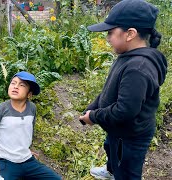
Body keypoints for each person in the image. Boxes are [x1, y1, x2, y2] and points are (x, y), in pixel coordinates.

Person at [79, 0, 167, 179]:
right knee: (111, 149)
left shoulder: (138, 68)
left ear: (130, 34)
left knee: (127, 170)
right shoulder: (128, 56)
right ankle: (111, 170)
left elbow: (124, 111)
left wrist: (94, 117)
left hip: (130, 136)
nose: (107, 38)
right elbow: (110, 90)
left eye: (111, 32)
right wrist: (93, 106)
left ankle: (119, 173)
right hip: (118, 130)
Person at [0, 71, 61, 180]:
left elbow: (28, 131)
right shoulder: (1, 109)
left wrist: (26, 149)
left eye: (22, 85)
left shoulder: (32, 108)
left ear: (29, 94)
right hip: (5, 161)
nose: (16, 87)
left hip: (27, 161)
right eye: (13, 83)